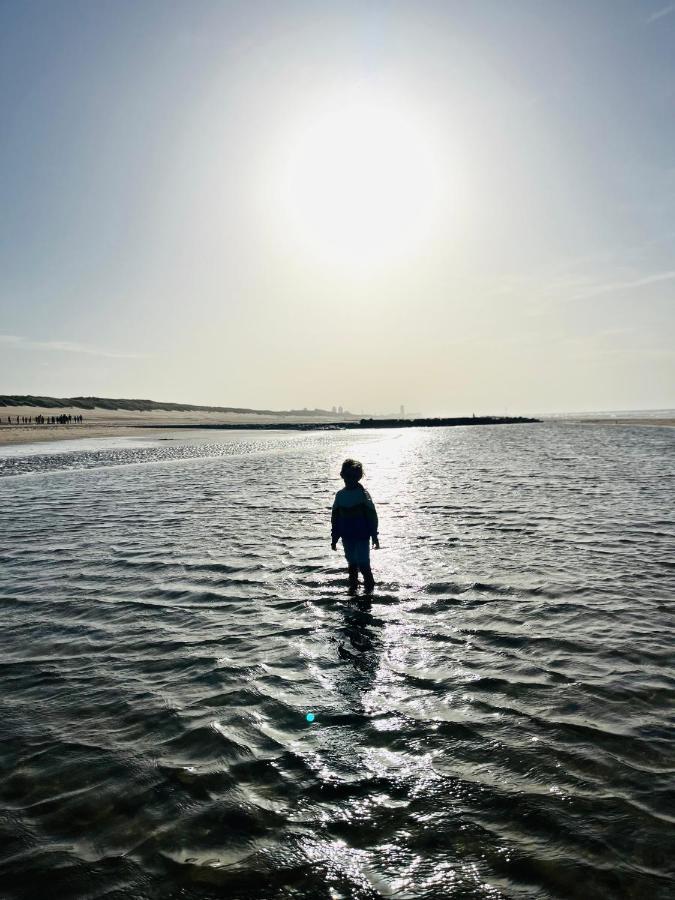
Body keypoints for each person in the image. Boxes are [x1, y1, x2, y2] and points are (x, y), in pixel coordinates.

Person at [331, 458, 379, 594]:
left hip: (363, 536)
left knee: (364, 565)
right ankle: (353, 590)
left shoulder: (363, 495)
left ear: (359, 477)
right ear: (342, 475)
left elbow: (372, 516)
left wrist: (374, 536)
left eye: (354, 477)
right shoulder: (340, 495)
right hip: (347, 537)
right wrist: (334, 537)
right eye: (347, 476)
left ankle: (369, 591)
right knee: (351, 565)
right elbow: (335, 518)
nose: (350, 479)